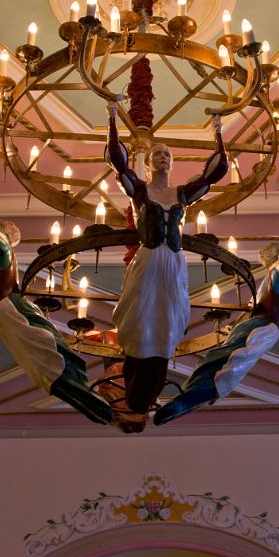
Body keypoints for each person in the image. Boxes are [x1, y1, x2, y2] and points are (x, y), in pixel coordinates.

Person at [104, 100, 228, 428]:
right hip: (147, 260)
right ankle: (133, 393)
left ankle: (146, 396)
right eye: (158, 153)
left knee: (167, 324)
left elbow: (213, 174)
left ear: (173, 164)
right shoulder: (140, 191)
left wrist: (218, 131)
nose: (163, 157)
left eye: (168, 154)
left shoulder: (182, 194)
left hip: (172, 263)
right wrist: (112, 117)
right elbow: (118, 164)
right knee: (137, 320)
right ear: (148, 163)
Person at [0, 180, 114, 425]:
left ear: (2, 237)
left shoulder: (3, 254)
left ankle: (88, 398)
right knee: (38, 359)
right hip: (4, 315)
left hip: (13, 310)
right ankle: (84, 397)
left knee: (49, 349)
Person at [154, 209, 279, 425]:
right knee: (219, 359)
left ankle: (193, 397)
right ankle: (192, 397)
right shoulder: (275, 275)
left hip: (263, 326)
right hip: (261, 326)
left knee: (224, 360)